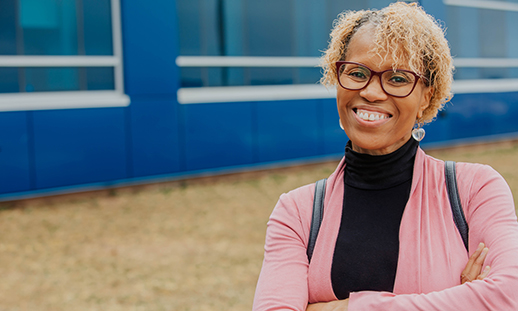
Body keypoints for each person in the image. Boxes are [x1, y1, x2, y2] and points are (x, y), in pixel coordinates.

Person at [252, 2, 518, 310]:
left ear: (426, 97)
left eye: (397, 79)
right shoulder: (297, 213)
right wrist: (459, 298)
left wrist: (336, 307)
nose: (372, 92)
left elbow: (508, 296)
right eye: (357, 73)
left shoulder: (474, 190)